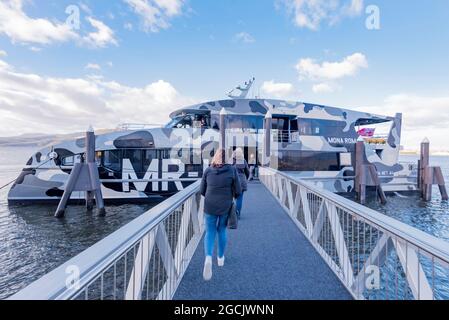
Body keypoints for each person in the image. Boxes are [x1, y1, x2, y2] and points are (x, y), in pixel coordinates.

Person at [200, 149, 242, 281]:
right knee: (221, 230)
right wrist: (232, 197)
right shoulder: (232, 170)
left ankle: (208, 258)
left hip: (210, 205)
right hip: (225, 205)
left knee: (210, 231)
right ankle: (220, 258)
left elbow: (202, 190)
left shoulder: (208, 170)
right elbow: (238, 190)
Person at [232, 148, 250, 219]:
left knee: (231, 197)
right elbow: (247, 172)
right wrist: (246, 178)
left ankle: (231, 213)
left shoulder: (232, 161)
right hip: (242, 182)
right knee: (240, 198)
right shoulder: (244, 161)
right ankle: (237, 213)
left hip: (233, 181)